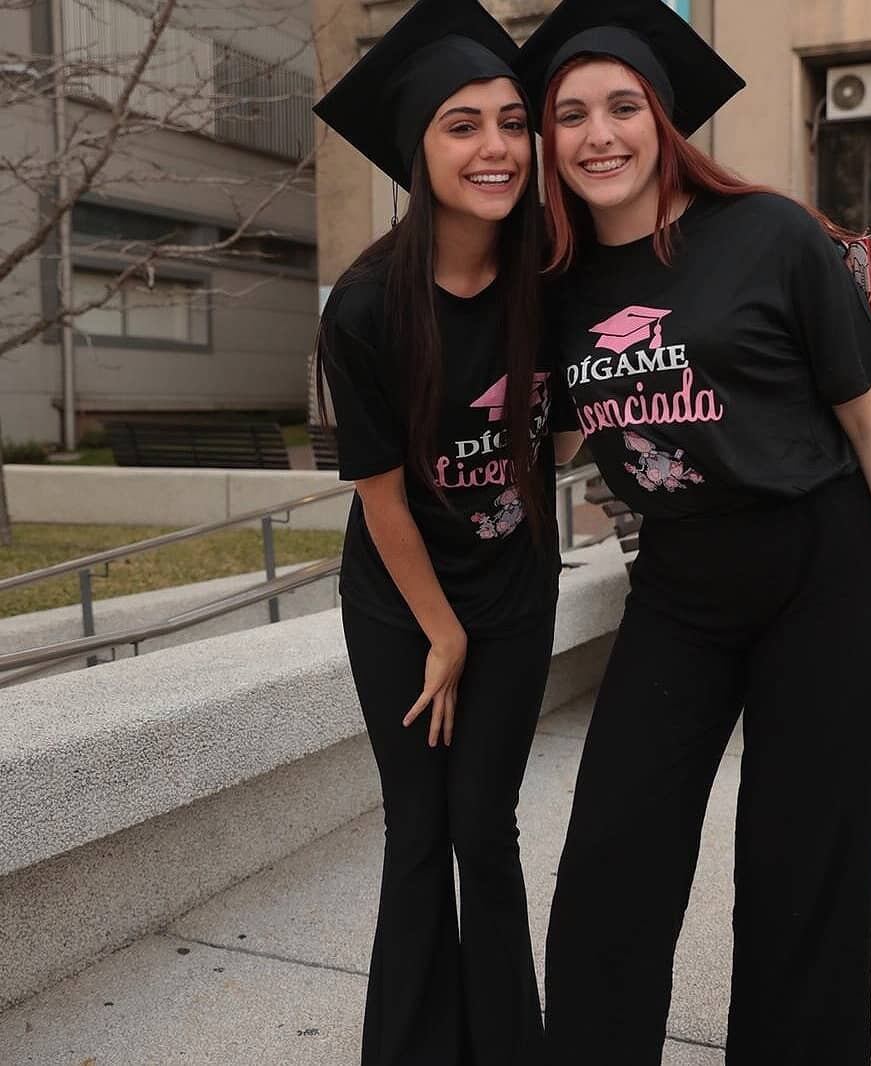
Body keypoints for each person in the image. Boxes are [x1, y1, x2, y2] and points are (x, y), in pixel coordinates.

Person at [515, 1, 871, 1063]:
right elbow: (558, 439)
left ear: (664, 120)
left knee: (802, 868)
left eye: (622, 105)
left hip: (824, 573)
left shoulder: (769, 235)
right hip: (678, 584)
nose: (598, 133)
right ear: (547, 139)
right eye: (570, 114)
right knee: (614, 855)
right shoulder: (554, 284)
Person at [312, 2, 579, 1061]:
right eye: (462, 124)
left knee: (487, 827)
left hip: (511, 591)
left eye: (513, 123)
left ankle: (510, 1045)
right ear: (420, 150)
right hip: (399, 602)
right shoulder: (367, 305)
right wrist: (440, 632)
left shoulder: (552, 279)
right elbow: (382, 498)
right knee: (418, 832)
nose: (495, 147)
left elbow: (556, 438)